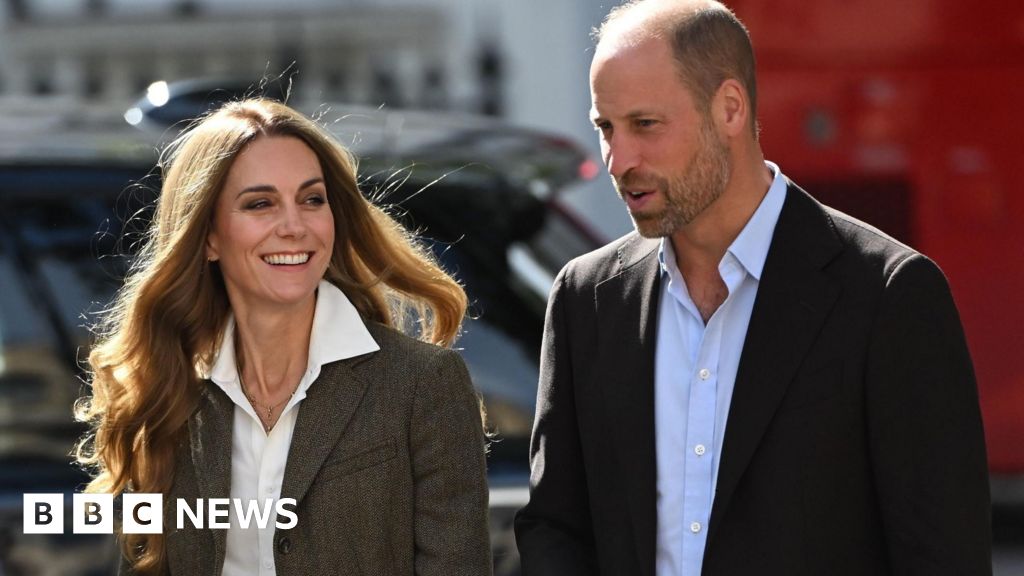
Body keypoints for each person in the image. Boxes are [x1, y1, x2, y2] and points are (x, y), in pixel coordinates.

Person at [514, 1, 992, 574]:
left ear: (730, 109)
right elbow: (555, 526)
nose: (619, 160)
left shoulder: (889, 295)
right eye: (605, 128)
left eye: (645, 124)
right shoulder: (586, 298)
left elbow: (942, 555)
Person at [75, 99, 492, 576]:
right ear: (209, 237)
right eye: (260, 204)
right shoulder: (169, 391)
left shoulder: (422, 384)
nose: (294, 226)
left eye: (312, 200)